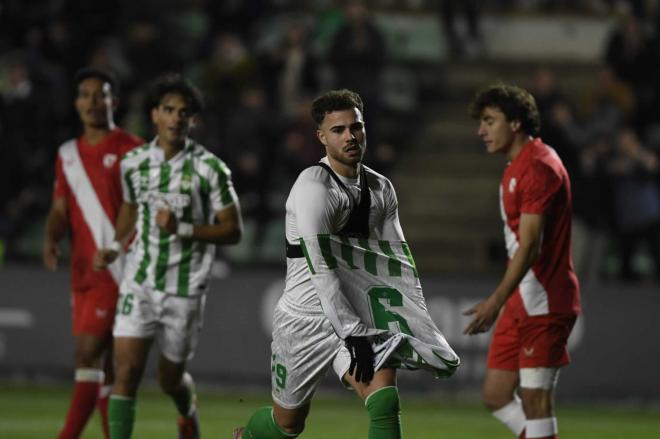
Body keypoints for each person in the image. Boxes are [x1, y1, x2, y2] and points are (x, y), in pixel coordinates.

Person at [234, 89, 459, 439]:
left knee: (384, 400)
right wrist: (351, 331)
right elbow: (321, 267)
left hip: (354, 313)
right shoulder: (314, 187)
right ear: (321, 137)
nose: (350, 136)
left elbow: (395, 264)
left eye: (356, 127)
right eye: (338, 130)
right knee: (287, 425)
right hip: (304, 320)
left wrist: (418, 325)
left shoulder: (381, 189)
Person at [93, 73, 243, 439]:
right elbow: (131, 208)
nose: (176, 118)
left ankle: (186, 410)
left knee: (169, 379)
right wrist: (115, 244)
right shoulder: (134, 164)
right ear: (154, 115)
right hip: (139, 279)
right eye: (168, 110)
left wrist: (184, 229)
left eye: (184, 112)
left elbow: (233, 230)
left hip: (185, 287)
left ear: (193, 120)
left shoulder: (210, 170)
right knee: (125, 373)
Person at [465, 83, 581, 439]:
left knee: (536, 401)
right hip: (522, 300)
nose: (480, 131)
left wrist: (494, 301)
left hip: (545, 300)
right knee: (496, 395)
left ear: (515, 123)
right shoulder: (517, 165)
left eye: (489, 121)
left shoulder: (539, 167)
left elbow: (530, 247)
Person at [42, 67, 144, 439]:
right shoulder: (66, 154)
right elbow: (59, 208)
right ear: (76, 103)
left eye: (99, 94)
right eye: (84, 95)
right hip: (84, 269)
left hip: (119, 270)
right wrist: (51, 239)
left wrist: (119, 247)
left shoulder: (132, 150)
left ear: (112, 101)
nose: (91, 101)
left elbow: (140, 210)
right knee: (106, 367)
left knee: (87, 355)